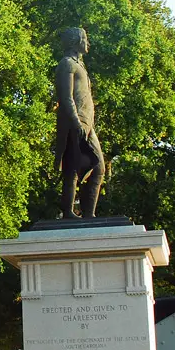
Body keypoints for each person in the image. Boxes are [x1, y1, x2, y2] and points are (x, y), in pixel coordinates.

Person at [54, 27, 105, 218]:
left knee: (98, 168)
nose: (88, 43)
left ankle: (89, 215)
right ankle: (68, 212)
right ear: (76, 41)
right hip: (76, 123)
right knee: (72, 167)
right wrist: (76, 122)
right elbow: (66, 97)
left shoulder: (79, 65)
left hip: (87, 124)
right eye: (85, 39)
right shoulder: (67, 64)